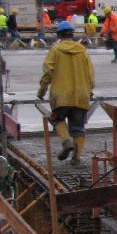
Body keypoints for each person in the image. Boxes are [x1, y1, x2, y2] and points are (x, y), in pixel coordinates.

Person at [37, 20, 94, 166]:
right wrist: (90, 90)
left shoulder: (55, 50)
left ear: (59, 35)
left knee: (56, 119)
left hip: (61, 96)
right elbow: (90, 74)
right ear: (72, 35)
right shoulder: (83, 50)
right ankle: (76, 157)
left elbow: (48, 72)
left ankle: (66, 141)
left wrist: (41, 91)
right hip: (81, 95)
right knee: (78, 127)